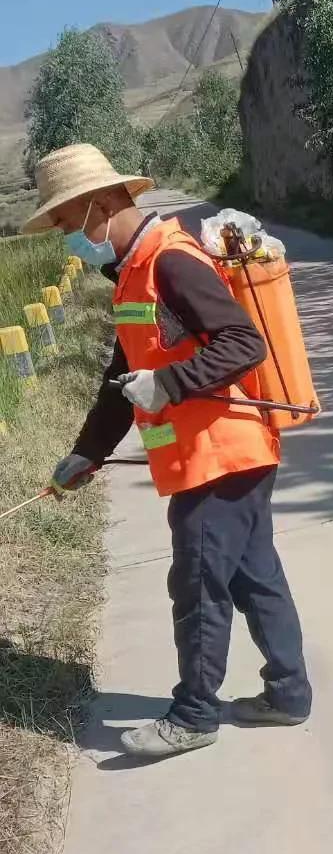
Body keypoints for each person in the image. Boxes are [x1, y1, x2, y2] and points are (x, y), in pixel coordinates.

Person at [22, 143, 313, 759]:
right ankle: (288, 693)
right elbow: (123, 375)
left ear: (100, 205)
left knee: (198, 583)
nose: (70, 238)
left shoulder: (172, 261)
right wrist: (87, 453)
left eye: (71, 224)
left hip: (220, 454)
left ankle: (193, 714)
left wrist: (170, 383)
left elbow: (243, 343)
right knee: (253, 575)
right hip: (218, 454)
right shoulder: (131, 271)